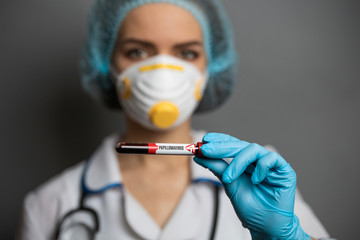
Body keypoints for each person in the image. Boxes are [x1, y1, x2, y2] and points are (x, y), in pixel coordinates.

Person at [17, 0, 335, 239]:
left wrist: (286, 237)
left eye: (186, 53)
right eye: (138, 52)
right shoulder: (52, 203)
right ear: (106, 63)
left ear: (210, 67)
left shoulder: (260, 178)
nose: (163, 73)